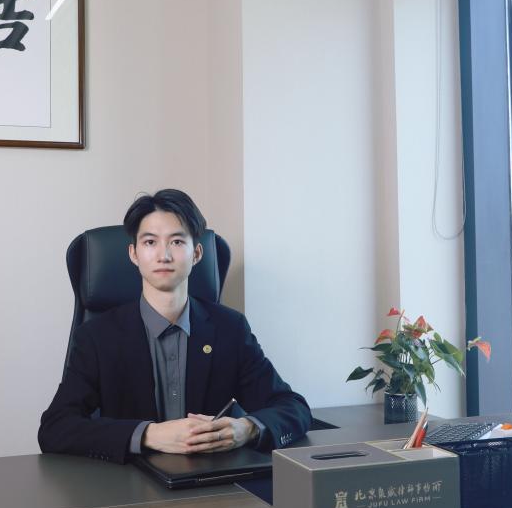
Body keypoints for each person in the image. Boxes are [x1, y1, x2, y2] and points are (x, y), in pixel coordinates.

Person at [38, 188, 311, 463]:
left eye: (177, 242)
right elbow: (55, 428)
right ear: (133, 254)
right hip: (128, 484)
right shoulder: (98, 336)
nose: (164, 255)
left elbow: (293, 407)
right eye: (150, 242)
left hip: (212, 481)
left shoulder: (230, 329)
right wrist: (149, 434)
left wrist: (246, 428)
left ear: (197, 254)